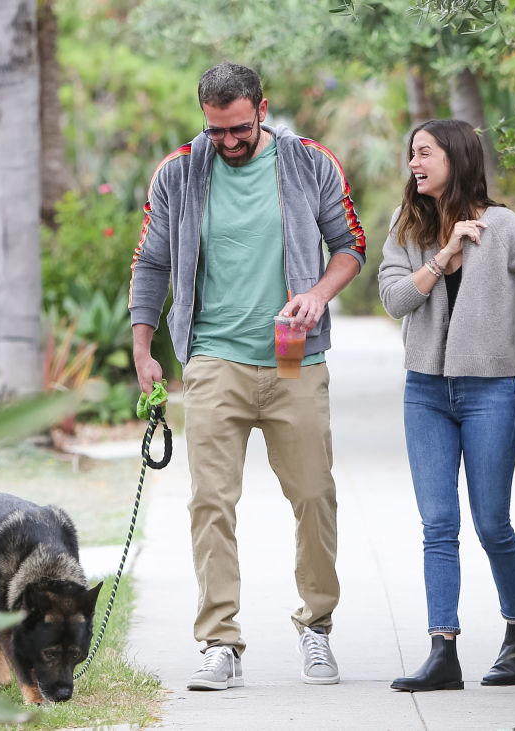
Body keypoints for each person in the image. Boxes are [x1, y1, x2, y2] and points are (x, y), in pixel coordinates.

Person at [128, 62, 366, 691]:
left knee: (314, 496)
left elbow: (351, 245)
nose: (228, 142)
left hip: (295, 360)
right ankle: (220, 642)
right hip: (212, 358)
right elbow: (151, 263)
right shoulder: (178, 172)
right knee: (210, 502)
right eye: (216, 131)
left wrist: (318, 293)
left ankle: (317, 628)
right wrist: (144, 347)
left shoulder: (310, 163)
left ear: (262, 108)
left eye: (238, 128)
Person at [377, 119, 515, 692]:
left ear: (456, 158)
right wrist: (444, 255)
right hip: (426, 392)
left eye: (425, 152)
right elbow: (393, 299)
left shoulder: (505, 226)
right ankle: (443, 652)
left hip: (490, 393)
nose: (415, 162)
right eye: (412, 153)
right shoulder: (408, 226)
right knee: (438, 524)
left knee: (491, 523)